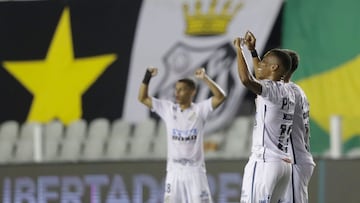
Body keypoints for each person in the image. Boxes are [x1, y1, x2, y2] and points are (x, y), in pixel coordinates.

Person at [138, 66, 226, 203]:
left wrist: (205, 78)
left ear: (192, 92)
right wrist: (147, 76)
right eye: (176, 89)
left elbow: (220, 97)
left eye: (182, 89)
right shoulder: (168, 109)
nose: (177, 93)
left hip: (195, 172)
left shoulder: (200, 110)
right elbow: (142, 98)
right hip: (174, 172)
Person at [233, 31, 295, 203]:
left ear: (274, 68)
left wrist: (239, 50)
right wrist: (253, 51)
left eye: (265, 62)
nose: (260, 65)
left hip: (264, 161)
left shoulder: (270, 89)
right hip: (283, 165)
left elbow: (247, 80)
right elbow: (260, 74)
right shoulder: (289, 91)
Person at [282, 49, 315, 203]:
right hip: (296, 157)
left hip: (294, 159)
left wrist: (251, 52)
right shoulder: (296, 90)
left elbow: (255, 83)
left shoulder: (287, 90)